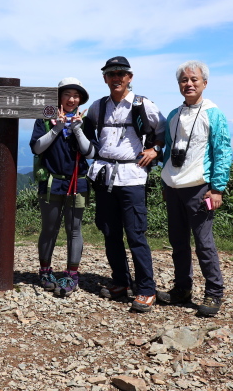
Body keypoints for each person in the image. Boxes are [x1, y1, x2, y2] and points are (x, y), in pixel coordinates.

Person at [86, 56, 166, 313]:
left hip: (132, 176)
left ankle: (145, 289)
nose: (116, 77)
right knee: (110, 233)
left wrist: (155, 149)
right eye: (111, 74)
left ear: (130, 77)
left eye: (121, 73)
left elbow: (165, 131)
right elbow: (87, 133)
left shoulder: (143, 105)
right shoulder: (98, 107)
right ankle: (121, 281)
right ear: (105, 78)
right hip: (105, 176)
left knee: (135, 234)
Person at [158, 60, 232, 317]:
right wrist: (165, 181)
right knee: (178, 242)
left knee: (204, 243)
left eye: (194, 80)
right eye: (183, 80)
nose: (188, 84)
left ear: (204, 83)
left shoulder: (214, 113)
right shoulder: (173, 115)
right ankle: (182, 289)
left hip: (200, 189)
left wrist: (218, 188)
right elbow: (169, 149)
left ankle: (214, 293)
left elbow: (222, 151)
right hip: (174, 185)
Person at [30, 78, 97, 297]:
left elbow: (90, 153)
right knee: (49, 228)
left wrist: (77, 130)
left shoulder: (86, 121)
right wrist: (57, 128)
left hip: (78, 181)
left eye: (76, 96)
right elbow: (37, 148)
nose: (71, 99)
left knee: (74, 230)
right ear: (59, 97)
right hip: (51, 181)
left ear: (80, 100)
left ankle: (72, 274)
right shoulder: (46, 118)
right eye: (67, 94)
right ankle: (45, 271)